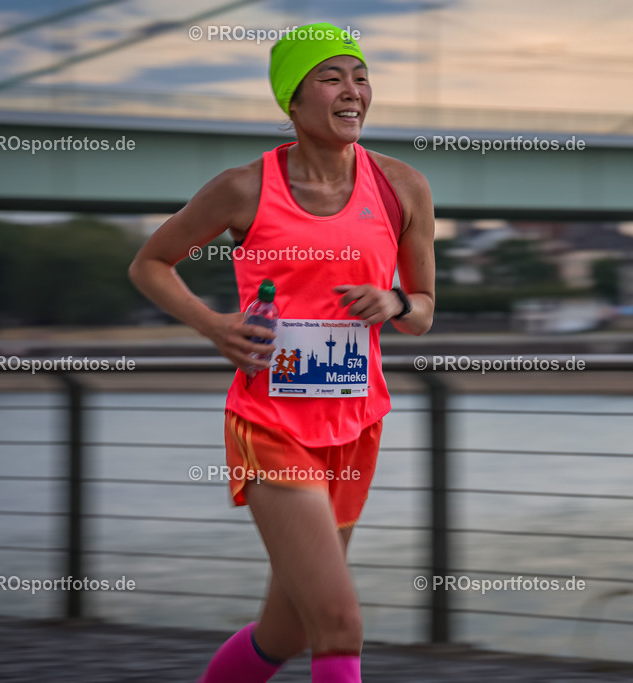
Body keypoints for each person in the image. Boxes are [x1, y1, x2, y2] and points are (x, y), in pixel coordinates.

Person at [128, 22, 435, 683]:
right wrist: (214, 324)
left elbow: (425, 309)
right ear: (292, 102)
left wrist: (396, 304)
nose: (352, 91)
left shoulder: (402, 187)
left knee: (288, 627)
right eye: (330, 78)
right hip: (270, 424)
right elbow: (151, 263)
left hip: (356, 425)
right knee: (339, 622)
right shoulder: (243, 188)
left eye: (359, 76)